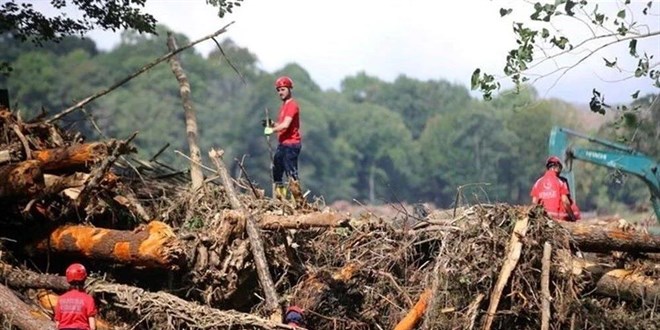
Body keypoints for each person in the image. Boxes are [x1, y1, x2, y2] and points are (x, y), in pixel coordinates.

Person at [263, 76, 302, 199]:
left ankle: (297, 200)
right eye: (278, 90)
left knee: (291, 174)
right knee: (277, 172)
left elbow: (285, 125)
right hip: (283, 144)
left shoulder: (292, 105)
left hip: (291, 144)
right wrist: (272, 124)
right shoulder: (284, 106)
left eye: (283, 89)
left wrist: (271, 130)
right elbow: (282, 125)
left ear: (290, 89)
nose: (280, 92)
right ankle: (281, 199)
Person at [530, 156, 577, 221]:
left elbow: (534, 203)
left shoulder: (538, 182)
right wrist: (572, 217)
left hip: (544, 220)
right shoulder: (561, 182)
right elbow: (565, 201)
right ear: (557, 168)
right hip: (559, 220)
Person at [55, 263, 97, 330]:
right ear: (84, 278)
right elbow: (92, 326)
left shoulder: (61, 299)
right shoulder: (88, 299)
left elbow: (57, 324)